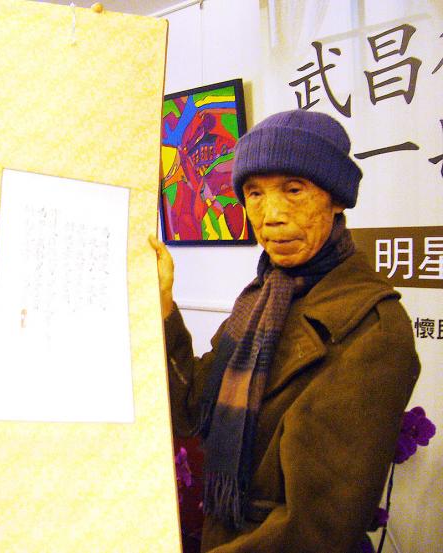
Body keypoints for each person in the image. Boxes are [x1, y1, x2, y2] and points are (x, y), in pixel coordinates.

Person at [150, 110, 420, 553]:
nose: (271, 215)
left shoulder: (372, 327)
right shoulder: (260, 300)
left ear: (336, 199)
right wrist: (162, 308)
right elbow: (190, 410)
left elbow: (316, 527)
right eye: (254, 193)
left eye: (294, 190)